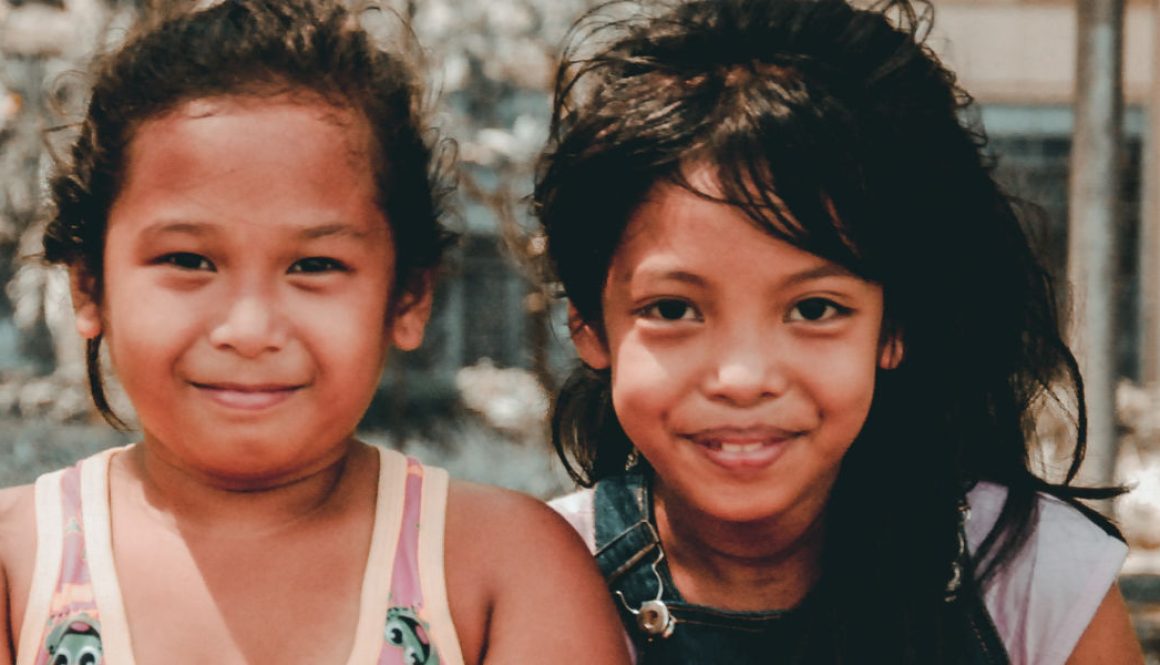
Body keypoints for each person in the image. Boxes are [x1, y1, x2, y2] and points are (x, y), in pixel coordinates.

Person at [0, 1, 631, 664]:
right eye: (187, 260)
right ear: (88, 285)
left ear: (408, 296)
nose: (249, 330)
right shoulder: (19, 565)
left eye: (314, 265)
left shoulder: (498, 568)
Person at [535, 0, 1146, 662]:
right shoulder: (531, 578)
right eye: (674, 309)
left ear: (895, 326)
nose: (743, 378)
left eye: (815, 308)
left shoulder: (1030, 576)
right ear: (590, 325)